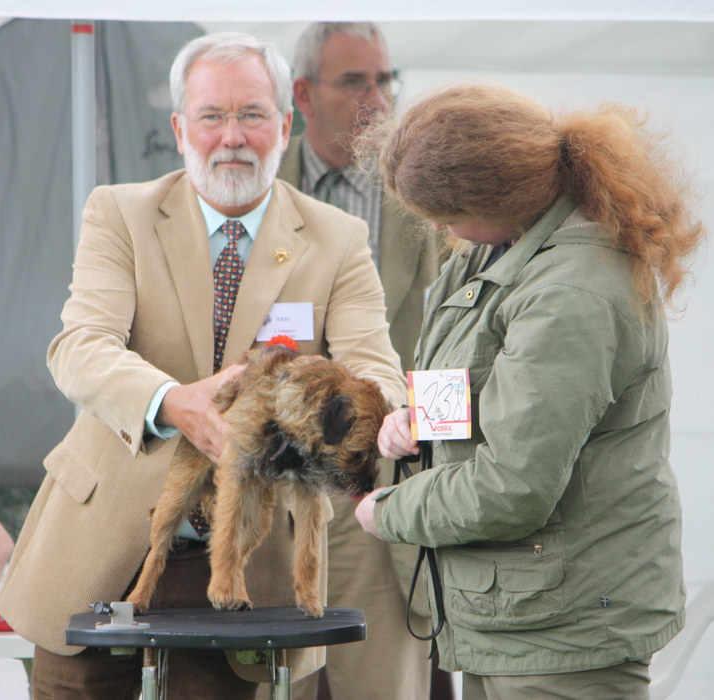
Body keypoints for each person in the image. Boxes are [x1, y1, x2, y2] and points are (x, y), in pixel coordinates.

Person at [0, 32, 407, 699]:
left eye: (252, 114)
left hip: (248, 562)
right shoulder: (120, 212)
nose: (232, 136)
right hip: (100, 545)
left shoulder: (337, 237)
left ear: (285, 124)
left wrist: (370, 418)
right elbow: (80, 347)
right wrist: (172, 401)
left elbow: (377, 373)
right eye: (212, 115)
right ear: (179, 129)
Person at [355, 84, 704, 699]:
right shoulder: (500, 245)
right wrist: (415, 420)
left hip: (566, 630)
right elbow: (492, 384)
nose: (437, 227)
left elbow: (513, 485)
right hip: (515, 614)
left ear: (494, 197)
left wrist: (389, 511)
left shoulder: (572, 291)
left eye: (446, 214)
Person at [277, 22, 440, 700]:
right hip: (273, 480)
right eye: (354, 81)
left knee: (379, 679)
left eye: (384, 80)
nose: (376, 98)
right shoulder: (254, 183)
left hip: (377, 481)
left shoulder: (425, 193)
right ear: (303, 95)